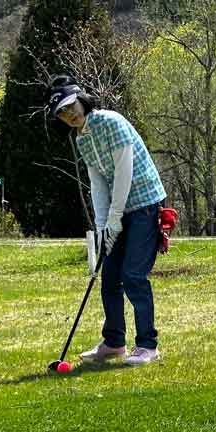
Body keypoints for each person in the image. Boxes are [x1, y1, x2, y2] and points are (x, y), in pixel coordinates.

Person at [47, 76, 167, 366]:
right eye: (62, 113)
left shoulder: (111, 122)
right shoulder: (82, 137)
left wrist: (115, 218)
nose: (69, 115)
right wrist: (103, 226)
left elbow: (124, 172)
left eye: (70, 106)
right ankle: (114, 342)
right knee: (110, 276)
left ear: (81, 100)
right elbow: (97, 182)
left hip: (145, 204)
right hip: (118, 209)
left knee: (133, 276)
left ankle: (148, 345)